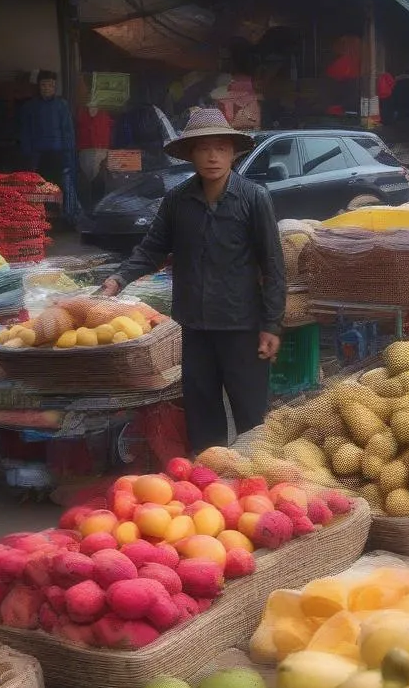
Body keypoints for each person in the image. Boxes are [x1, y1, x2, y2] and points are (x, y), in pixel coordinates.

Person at [99, 108, 285, 454]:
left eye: (221, 148)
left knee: (251, 417)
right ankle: (209, 483)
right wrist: (117, 279)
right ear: (191, 154)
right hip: (195, 327)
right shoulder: (177, 201)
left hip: (242, 326)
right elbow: (152, 248)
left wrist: (271, 324)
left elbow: (272, 265)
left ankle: (256, 481)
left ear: (232, 152)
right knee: (202, 415)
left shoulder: (254, 198)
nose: (213, 157)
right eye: (203, 149)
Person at [19, 70, 76, 219]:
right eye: (43, 84)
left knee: (58, 187)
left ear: (55, 87)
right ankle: (40, 219)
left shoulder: (62, 105)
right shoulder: (30, 106)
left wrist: (68, 155)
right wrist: (27, 154)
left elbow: (67, 131)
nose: (47, 88)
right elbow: (25, 131)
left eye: (50, 85)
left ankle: (60, 218)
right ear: (39, 86)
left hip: (58, 154)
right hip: (37, 155)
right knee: (38, 188)